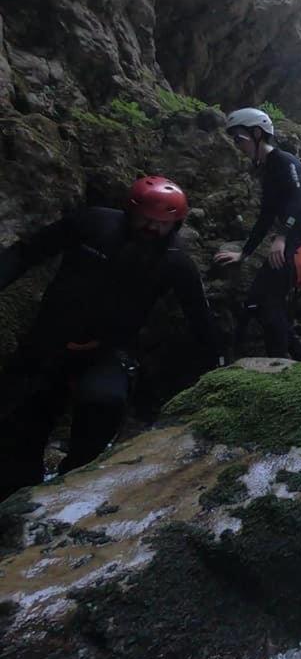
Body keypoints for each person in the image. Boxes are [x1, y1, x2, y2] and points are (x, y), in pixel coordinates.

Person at [0, 177, 221, 500]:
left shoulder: (176, 261)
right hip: (48, 342)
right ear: (130, 212)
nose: (151, 228)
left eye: (162, 224)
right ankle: (15, 494)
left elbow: (200, 318)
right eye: (145, 219)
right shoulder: (92, 224)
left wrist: (216, 368)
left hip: (107, 352)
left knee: (103, 408)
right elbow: (27, 253)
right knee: (22, 423)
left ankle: (70, 489)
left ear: (176, 224)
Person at [214, 108, 301, 361]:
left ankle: (279, 366)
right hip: (295, 241)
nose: (237, 146)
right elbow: (266, 216)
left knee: (265, 302)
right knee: (258, 301)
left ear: (257, 134)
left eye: (239, 139)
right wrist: (244, 253)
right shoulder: (269, 169)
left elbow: (300, 203)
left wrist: (282, 236)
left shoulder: (285, 162)